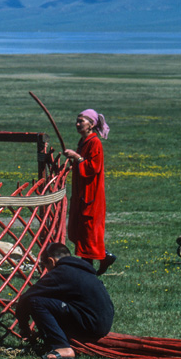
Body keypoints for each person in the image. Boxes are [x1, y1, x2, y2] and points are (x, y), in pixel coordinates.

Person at [15, 242, 115, 359]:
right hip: (102, 322)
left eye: (45, 266)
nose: (47, 271)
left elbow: (26, 297)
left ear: (51, 261)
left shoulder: (61, 272)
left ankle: (62, 347)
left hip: (92, 324)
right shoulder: (81, 269)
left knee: (36, 301)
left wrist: (24, 327)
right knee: (50, 301)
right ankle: (58, 339)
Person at [62, 108, 116, 276]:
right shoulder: (83, 141)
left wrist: (76, 157)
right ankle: (102, 258)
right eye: (77, 121)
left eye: (81, 121)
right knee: (81, 231)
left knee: (89, 232)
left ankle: (88, 270)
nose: (78, 124)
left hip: (91, 196)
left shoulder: (95, 143)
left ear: (91, 124)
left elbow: (93, 167)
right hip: (82, 194)